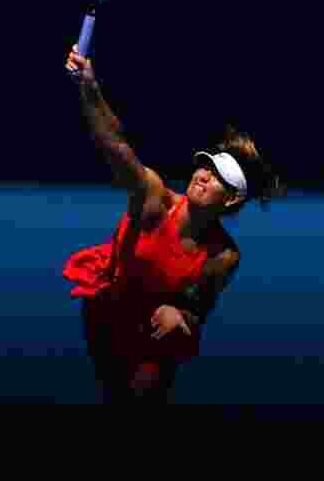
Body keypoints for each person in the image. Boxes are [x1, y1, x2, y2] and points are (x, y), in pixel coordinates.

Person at [62, 44, 283, 404]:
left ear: (231, 199)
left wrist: (180, 312)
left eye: (217, 176)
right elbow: (116, 145)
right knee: (112, 393)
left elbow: (198, 311)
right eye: (205, 166)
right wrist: (90, 88)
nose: (203, 175)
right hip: (107, 308)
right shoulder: (153, 199)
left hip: (154, 328)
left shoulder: (225, 256)